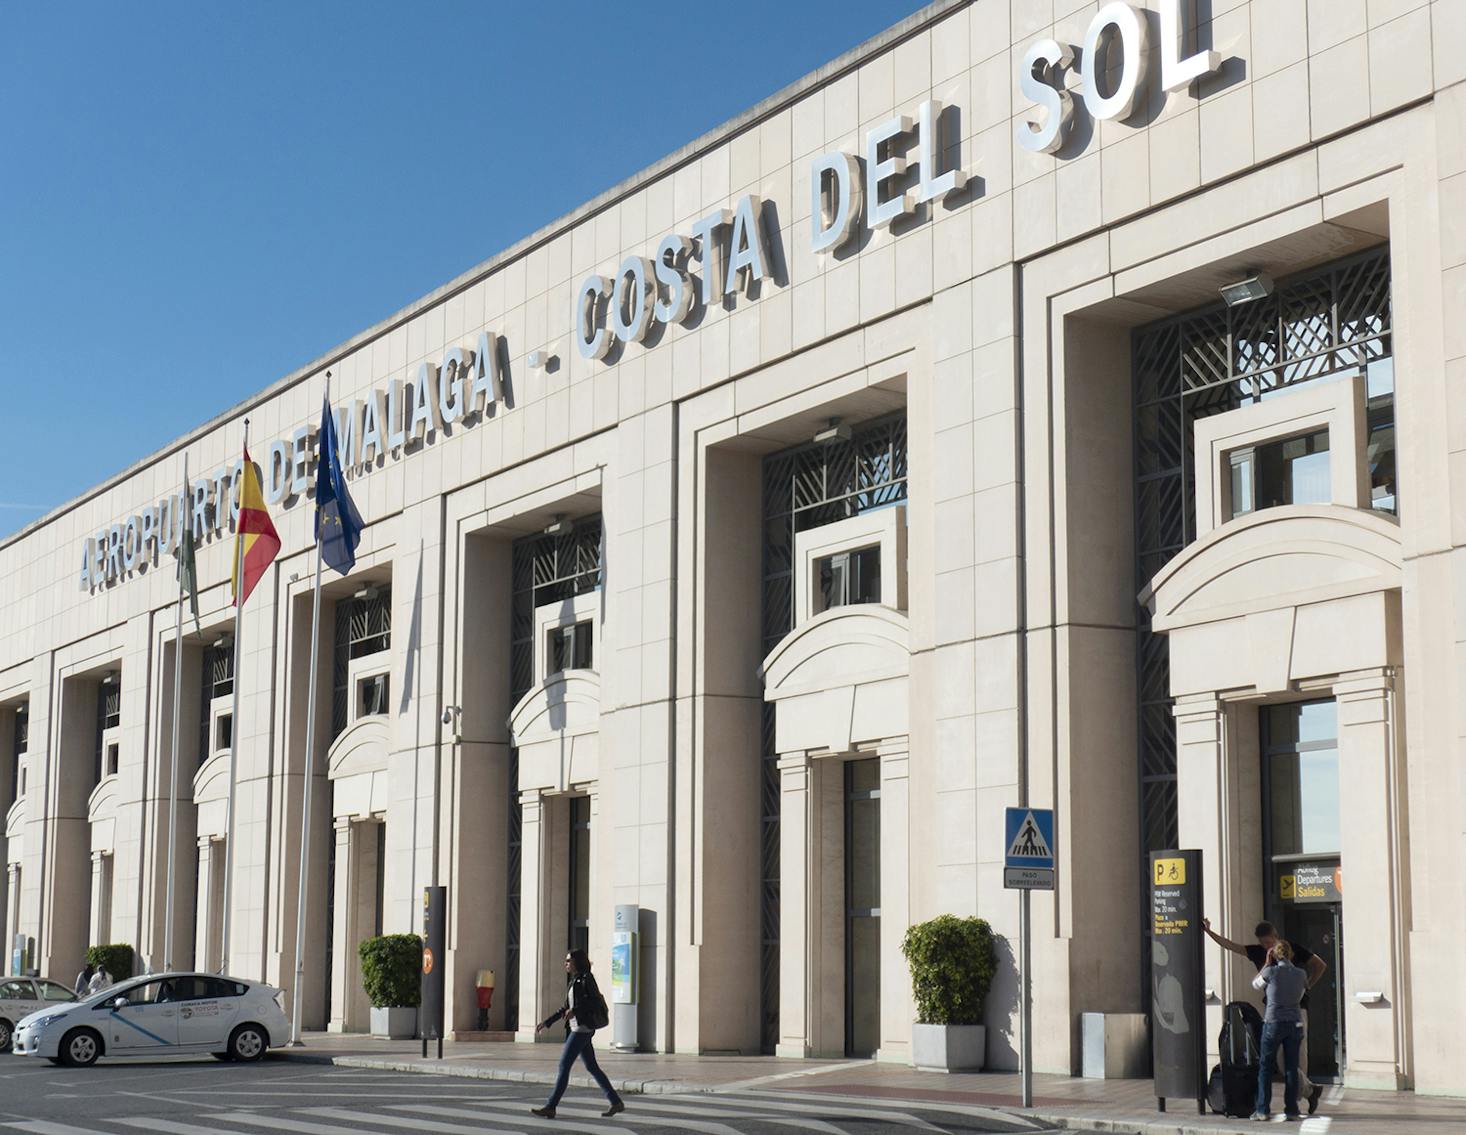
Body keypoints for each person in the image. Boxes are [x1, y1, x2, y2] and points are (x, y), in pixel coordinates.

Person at [1203, 917, 1325, 1115]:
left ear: (1276, 937)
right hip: (1276, 1013)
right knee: (1283, 1061)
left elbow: (1319, 965)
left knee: (1292, 1060)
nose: (1265, 946)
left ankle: (1294, 1098)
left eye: (1268, 942)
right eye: (1262, 943)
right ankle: (1307, 1092)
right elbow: (1232, 946)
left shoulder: (1291, 952)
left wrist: (1308, 985)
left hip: (1294, 1012)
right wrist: (1209, 933)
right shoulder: (1260, 953)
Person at [531, 949, 625, 1120]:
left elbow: (594, 1001)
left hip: (582, 1029)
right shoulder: (574, 981)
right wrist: (547, 1022)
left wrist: (575, 1010)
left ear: (576, 962)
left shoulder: (587, 979)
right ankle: (615, 1101)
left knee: (564, 1065)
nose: (565, 963)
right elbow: (565, 1008)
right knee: (592, 1067)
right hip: (577, 1028)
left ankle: (551, 1107)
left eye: (568, 961)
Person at [1250, 940, 1308, 1121]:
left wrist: (1266, 964)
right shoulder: (1301, 974)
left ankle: (1262, 1110)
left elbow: (1255, 985)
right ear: (1291, 954)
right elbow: (1301, 994)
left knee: (1266, 1067)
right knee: (1291, 1068)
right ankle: (1291, 1109)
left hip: (1273, 1022)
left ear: (1274, 955)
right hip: (1294, 1023)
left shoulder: (1270, 972)